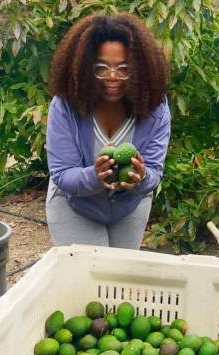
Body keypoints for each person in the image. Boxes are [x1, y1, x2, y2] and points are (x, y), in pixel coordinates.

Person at [45, 13, 170, 249]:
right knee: (89, 277)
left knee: (119, 280)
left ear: (140, 70)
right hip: (75, 205)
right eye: (101, 68)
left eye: (124, 68)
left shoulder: (155, 108)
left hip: (129, 207)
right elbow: (62, 173)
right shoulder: (66, 106)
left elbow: (154, 172)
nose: (112, 77)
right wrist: (96, 176)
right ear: (84, 67)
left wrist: (141, 176)